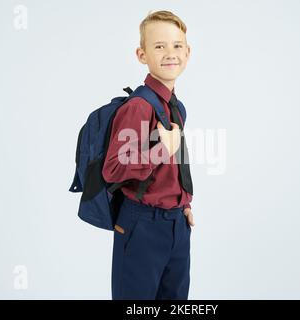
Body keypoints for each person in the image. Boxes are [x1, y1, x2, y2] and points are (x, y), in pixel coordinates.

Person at [102, 10, 195, 300]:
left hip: (176, 224)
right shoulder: (138, 107)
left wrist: (184, 202)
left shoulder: (176, 107)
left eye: (177, 45)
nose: (170, 53)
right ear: (142, 55)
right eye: (159, 46)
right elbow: (113, 169)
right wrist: (160, 148)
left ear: (188, 52)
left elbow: (174, 166)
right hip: (141, 224)